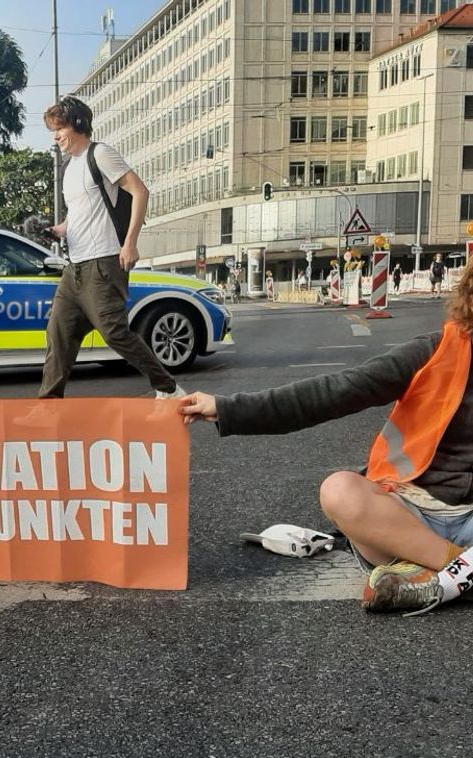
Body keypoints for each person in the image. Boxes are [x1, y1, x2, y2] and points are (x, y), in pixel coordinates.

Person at [176, 259, 473, 616]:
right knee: (340, 492)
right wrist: (227, 408)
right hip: (408, 517)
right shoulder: (434, 353)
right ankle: (456, 570)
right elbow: (334, 392)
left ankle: (426, 575)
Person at [38, 97, 182, 400]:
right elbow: (78, 215)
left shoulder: (99, 154)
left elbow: (140, 191)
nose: (56, 136)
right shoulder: (68, 169)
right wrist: (57, 229)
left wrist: (129, 243)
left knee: (114, 333)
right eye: (53, 130)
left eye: (59, 128)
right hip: (74, 268)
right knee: (58, 334)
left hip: (104, 262)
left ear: (77, 124)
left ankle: (167, 387)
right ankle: (48, 406)